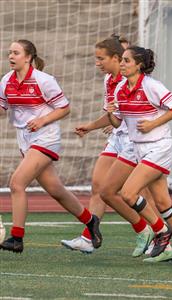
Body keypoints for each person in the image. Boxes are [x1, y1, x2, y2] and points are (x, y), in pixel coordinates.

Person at [60, 36, 172, 262]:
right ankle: (136, 230)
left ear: (116, 58)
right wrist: (92, 126)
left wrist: (145, 124)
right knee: (101, 187)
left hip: (137, 141)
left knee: (140, 193)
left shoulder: (143, 82)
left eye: (101, 58)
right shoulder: (111, 82)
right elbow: (114, 116)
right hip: (118, 137)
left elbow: (166, 108)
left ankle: (160, 238)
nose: (97, 63)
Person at [0, 40, 102, 253]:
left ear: (28, 57)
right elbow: (2, 109)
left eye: (16, 53)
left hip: (45, 137)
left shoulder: (43, 80)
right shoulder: (6, 80)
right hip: (25, 139)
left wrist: (42, 121)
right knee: (55, 190)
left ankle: (16, 238)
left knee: (17, 183)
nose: (11, 56)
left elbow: (64, 108)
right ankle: (91, 221)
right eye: (10, 52)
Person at [106, 46, 172, 264]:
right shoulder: (120, 87)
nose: (122, 64)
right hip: (139, 148)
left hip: (158, 147)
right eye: (122, 60)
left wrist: (154, 123)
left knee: (128, 193)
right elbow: (117, 122)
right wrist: (110, 114)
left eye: (127, 61)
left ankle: (161, 231)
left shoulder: (151, 86)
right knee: (162, 203)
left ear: (139, 65)